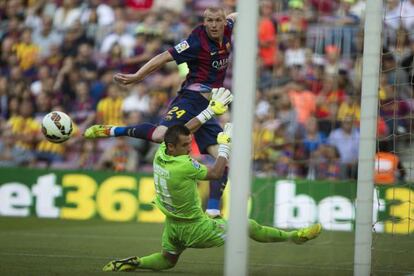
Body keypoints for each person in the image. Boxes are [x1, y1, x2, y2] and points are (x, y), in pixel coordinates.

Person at [101, 123, 322, 272]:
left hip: (173, 225)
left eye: (190, 144)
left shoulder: (160, 155)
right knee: (248, 225)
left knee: (168, 260)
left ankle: (134, 263)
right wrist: (225, 146)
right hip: (195, 228)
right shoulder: (184, 165)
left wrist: (208, 113)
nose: (190, 149)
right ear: (171, 146)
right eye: (185, 146)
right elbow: (217, 172)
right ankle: (295, 236)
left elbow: (183, 131)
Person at [85, 7, 238, 217]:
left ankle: (213, 211)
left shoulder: (228, 28)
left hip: (209, 107)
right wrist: (138, 75)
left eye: (217, 20)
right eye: (209, 20)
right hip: (190, 100)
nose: (213, 25)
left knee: (223, 159)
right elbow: (163, 57)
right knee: (160, 136)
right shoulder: (196, 41)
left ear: (223, 22)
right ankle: (114, 130)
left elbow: (234, 17)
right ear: (204, 21)